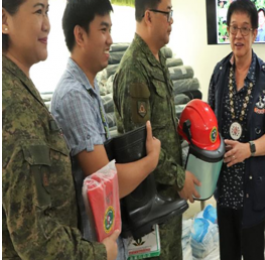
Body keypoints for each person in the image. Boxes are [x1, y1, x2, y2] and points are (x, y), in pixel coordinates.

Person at [2, 0, 120, 259]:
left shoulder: (20, 88)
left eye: (47, 11)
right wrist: (100, 254)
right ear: (4, 20)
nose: (47, 24)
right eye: (37, 11)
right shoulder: (13, 104)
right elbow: (36, 239)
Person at [51, 1, 161, 259]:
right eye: (103, 30)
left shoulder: (88, 91)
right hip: (93, 246)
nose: (110, 40)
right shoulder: (74, 96)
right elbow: (108, 184)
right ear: (80, 35)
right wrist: (151, 160)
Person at [113, 0, 200, 259]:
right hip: (149, 208)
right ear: (149, 17)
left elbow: (162, 128)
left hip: (167, 203)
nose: (171, 20)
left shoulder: (158, 58)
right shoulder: (134, 69)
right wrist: (178, 177)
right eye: (168, 13)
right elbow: (140, 147)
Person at [208, 1, 265, 259]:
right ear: (227, 31)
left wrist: (248, 149)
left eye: (245, 29)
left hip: (253, 191)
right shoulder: (219, 73)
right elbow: (210, 127)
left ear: (254, 32)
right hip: (225, 190)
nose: (238, 35)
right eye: (233, 28)